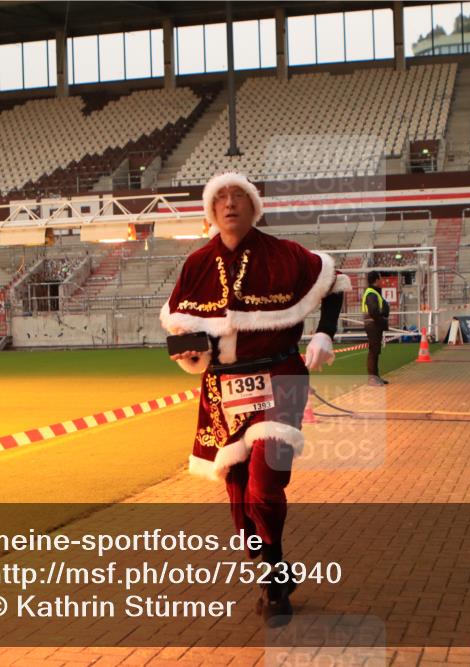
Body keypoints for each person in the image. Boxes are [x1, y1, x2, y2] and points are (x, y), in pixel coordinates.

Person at [161, 172, 349, 626]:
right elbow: (184, 331)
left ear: (254, 206)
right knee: (239, 489)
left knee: (265, 483)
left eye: (238, 196)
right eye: (221, 198)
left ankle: (273, 575)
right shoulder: (196, 264)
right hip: (222, 390)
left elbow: (336, 282)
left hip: (281, 378)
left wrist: (325, 332)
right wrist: (190, 355)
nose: (229, 204)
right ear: (211, 210)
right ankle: (274, 568)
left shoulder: (286, 255)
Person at [362, 271, 391, 386]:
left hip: (374, 324)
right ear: (376, 280)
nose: (381, 281)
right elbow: (374, 311)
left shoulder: (373, 292)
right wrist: (383, 321)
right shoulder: (371, 293)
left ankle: (376, 377)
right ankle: (372, 379)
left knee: (375, 351)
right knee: (374, 351)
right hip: (373, 324)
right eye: (380, 278)